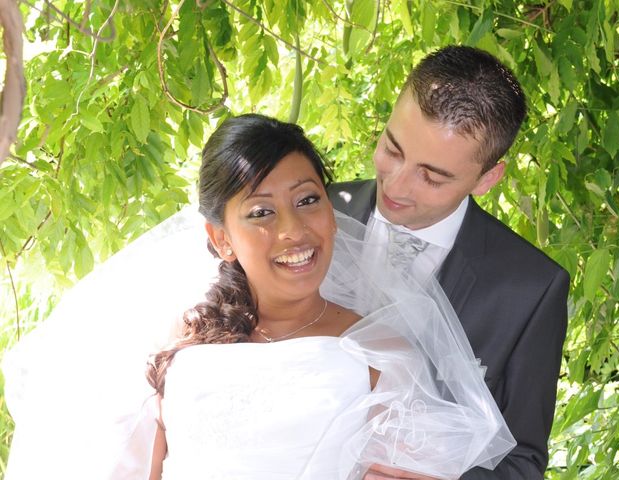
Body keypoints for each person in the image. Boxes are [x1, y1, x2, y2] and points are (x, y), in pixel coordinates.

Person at [4, 114, 515, 479]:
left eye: (308, 200)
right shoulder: (173, 348)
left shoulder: (382, 351)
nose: (295, 230)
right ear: (220, 238)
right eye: (261, 212)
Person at [329, 46, 570, 479]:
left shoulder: (531, 289)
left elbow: (522, 463)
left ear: (486, 179)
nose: (398, 185)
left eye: (433, 175)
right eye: (392, 148)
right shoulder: (316, 215)